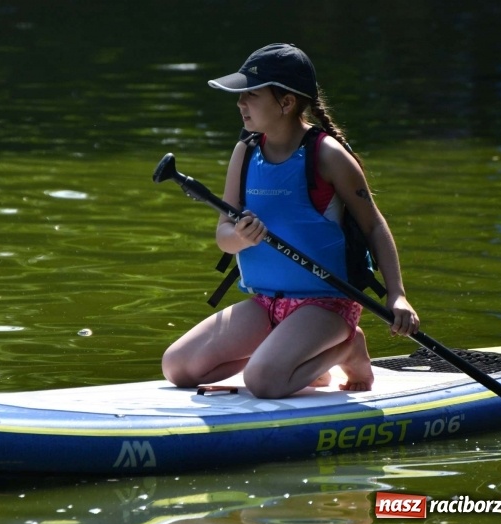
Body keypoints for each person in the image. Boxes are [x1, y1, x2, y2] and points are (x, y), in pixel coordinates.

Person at [161, 43, 420, 399]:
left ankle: (347, 347)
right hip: (265, 302)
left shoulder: (327, 156)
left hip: (326, 305)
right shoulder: (246, 151)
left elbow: (374, 224)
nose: (240, 103)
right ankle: (290, 355)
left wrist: (398, 296)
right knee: (177, 367)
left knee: (263, 382)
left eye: (250, 95)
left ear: (285, 103)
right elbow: (223, 235)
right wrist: (241, 237)